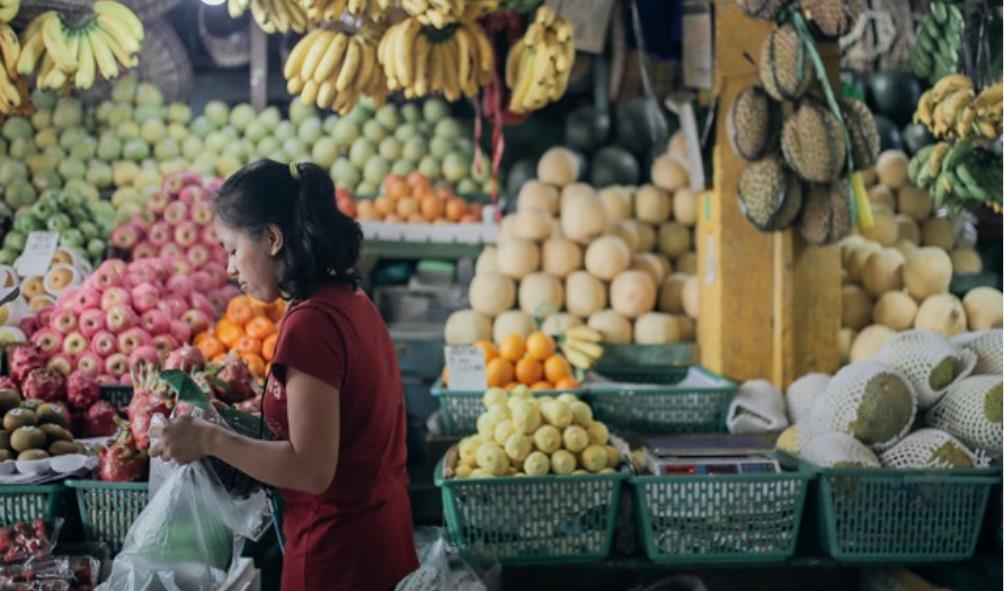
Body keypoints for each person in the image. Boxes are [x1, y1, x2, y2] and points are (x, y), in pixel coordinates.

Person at [150, 159, 418, 590]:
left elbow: (311, 468)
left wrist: (208, 439)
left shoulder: (312, 324)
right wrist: (232, 424)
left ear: (272, 238)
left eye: (233, 249)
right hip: (378, 540)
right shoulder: (349, 299)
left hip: (336, 556)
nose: (230, 269)